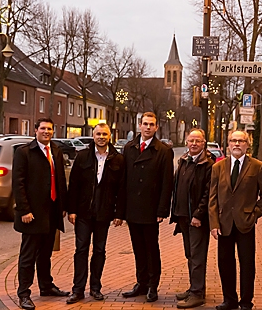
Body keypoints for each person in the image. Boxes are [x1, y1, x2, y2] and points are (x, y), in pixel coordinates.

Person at [209, 130, 262, 310]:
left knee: (247, 264)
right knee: (225, 263)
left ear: (247, 144)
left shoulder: (256, 166)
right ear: (228, 144)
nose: (237, 144)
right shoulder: (218, 167)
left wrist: (255, 214)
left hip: (245, 223)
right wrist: (214, 223)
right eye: (233, 141)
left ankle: (246, 301)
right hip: (224, 224)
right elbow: (212, 198)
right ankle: (229, 300)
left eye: (241, 141)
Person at [12, 118, 69, 310]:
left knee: (45, 254)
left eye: (49, 129)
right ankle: (24, 294)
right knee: (28, 255)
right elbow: (18, 183)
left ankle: (46, 286)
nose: (46, 132)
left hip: (51, 212)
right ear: (35, 130)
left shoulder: (57, 151)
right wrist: (24, 210)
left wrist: (63, 205)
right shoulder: (24, 152)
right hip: (33, 213)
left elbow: (60, 179)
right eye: (43, 128)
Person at [66, 123, 125, 304]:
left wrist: (119, 213)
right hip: (84, 213)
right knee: (81, 250)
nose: (101, 137)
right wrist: (72, 210)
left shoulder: (117, 159)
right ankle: (77, 290)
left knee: (99, 251)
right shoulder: (83, 157)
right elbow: (74, 185)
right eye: (98, 134)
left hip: (104, 213)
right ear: (93, 136)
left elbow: (121, 189)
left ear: (109, 136)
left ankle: (95, 288)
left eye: (104, 134)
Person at [120, 112, 174, 303]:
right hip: (133, 208)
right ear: (139, 125)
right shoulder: (129, 148)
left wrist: (162, 210)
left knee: (151, 249)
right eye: (145, 124)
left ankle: (152, 285)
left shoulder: (164, 151)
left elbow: (167, 183)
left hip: (151, 209)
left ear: (156, 127)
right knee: (138, 248)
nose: (148, 127)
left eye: (151, 124)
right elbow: (123, 180)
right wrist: (121, 209)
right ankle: (141, 282)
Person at [170, 128, 214, 309]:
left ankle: (197, 294)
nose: (194, 144)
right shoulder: (184, 161)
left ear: (204, 143)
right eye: (191, 141)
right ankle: (195, 288)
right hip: (183, 216)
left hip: (196, 219)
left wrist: (198, 214)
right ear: (187, 143)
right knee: (190, 254)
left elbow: (208, 193)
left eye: (197, 141)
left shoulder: (208, 165)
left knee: (197, 256)